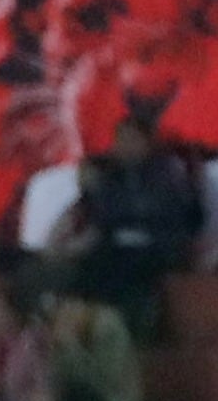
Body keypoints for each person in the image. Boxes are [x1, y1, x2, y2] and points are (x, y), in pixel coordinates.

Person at [60, 119, 199, 340]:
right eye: (120, 140)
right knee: (92, 267)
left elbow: (176, 215)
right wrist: (93, 188)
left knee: (127, 268)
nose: (124, 145)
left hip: (158, 243)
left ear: (146, 142)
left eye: (130, 139)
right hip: (116, 243)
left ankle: (131, 332)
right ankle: (91, 331)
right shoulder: (109, 175)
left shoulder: (168, 172)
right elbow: (103, 216)